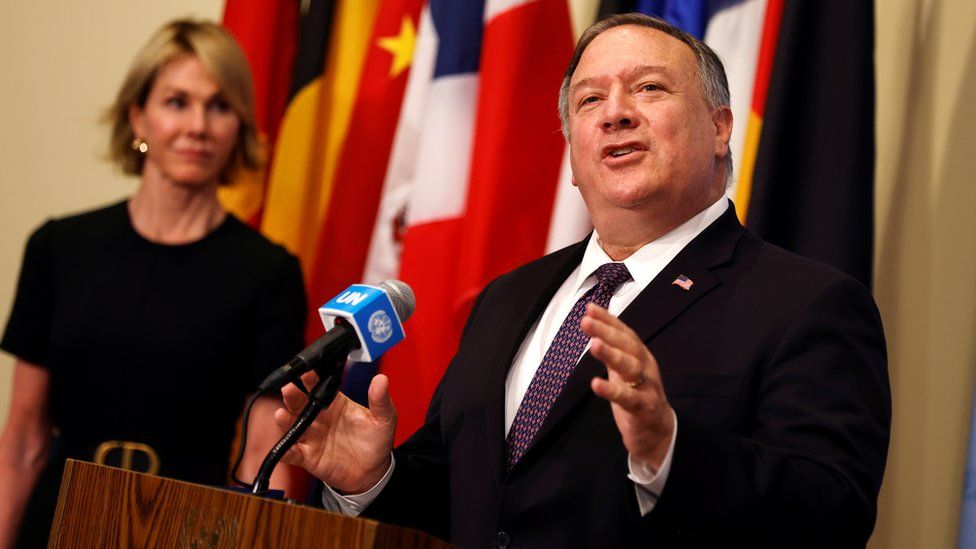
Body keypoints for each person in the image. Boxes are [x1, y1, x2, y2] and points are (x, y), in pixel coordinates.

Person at [275, 13, 890, 547]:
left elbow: (830, 515)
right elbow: (472, 505)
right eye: (589, 100)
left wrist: (670, 452)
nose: (616, 112)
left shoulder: (807, 304)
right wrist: (374, 477)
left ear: (721, 129)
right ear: (572, 152)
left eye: (649, 88)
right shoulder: (507, 297)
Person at [0, 20, 306, 548]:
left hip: (187, 528)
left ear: (239, 127)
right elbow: (24, 439)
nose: (198, 126)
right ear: (137, 115)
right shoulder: (58, 247)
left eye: (219, 106)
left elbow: (265, 458)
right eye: (176, 102)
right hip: (55, 519)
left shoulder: (269, 273)